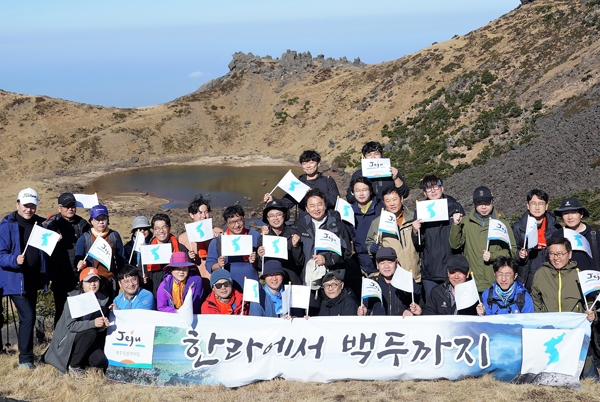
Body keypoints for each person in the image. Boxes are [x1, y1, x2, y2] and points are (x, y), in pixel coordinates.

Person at [0, 188, 48, 368]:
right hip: (14, 281)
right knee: (28, 316)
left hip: (33, 280)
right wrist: (14, 259)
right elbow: (0, 255)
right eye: (25, 205)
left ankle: (26, 354)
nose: (29, 209)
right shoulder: (6, 226)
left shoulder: (41, 224)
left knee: (28, 316)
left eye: (32, 206)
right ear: (17, 204)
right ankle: (26, 359)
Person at [293, 189, 351, 315]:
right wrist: (295, 246)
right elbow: (298, 260)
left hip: (332, 280)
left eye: (319, 204)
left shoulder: (336, 223)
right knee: (311, 315)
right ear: (307, 209)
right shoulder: (300, 224)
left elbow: (346, 252)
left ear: (325, 204)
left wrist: (327, 259)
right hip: (310, 280)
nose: (316, 209)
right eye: (312, 206)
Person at [43, 267, 109, 376]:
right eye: (88, 281)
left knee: (99, 360)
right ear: (82, 283)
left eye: (95, 281)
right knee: (90, 332)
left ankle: (78, 359)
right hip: (68, 339)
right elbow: (71, 326)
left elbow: (98, 326)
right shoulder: (73, 299)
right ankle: (74, 366)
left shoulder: (102, 300)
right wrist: (93, 323)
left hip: (85, 340)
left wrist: (103, 325)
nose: (92, 284)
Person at [449, 186, 517, 293]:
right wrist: (456, 225)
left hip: (495, 282)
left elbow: (512, 251)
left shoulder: (502, 223)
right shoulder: (466, 222)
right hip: (472, 281)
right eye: (479, 203)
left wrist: (493, 256)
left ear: (492, 202)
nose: (483, 207)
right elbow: (455, 245)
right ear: (474, 204)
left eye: (487, 203)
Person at [411, 175, 465, 303]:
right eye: (428, 189)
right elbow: (419, 245)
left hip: (452, 269)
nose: (433, 191)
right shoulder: (421, 211)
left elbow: (462, 240)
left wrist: (458, 223)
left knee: (455, 307)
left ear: (442, 188)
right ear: (424, 192)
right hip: (430, 271)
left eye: (436, 186)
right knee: (432, 308)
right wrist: (415, 231)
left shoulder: (455, 207)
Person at [43, 192, 91, 328]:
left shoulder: (82, 224)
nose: (70, 209)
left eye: (73, 205)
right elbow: (43, 248)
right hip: (59, 276)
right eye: (67, 206)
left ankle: (77, 340)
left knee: (80, 310)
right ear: (59, 208)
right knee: (61, 310)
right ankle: (58, 341)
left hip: (79, 275)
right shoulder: (51, 224)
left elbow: (88, 245)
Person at [365, 186, 421, 301]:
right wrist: (372, 249)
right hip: (391, 279)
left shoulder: (414, 218)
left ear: (401, 199)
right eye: (388, 201)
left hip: (414, 275)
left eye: (394, 199)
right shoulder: (377, 223)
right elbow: (369, 242)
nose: (392, 204)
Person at [511, 189, 561, 290]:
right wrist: (520, 256)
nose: (537, 207)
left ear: (546, 206)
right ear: (528, 206)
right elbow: (511, 253)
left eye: (541, 204)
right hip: (526, 276)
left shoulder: (556, 228)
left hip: (550, 276)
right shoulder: (517, 227)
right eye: (533, 203)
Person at [75, 204, 126, 300]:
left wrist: (122, 279)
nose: (101, 222)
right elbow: (77, 260)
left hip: (110, 283)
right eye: (97, 219)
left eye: (104, 218)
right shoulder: (85, 238)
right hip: (92, 284)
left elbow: (121, 260)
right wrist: (79, 264)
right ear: (92, 221)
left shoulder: (114, 236)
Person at [263, 150, 339, 213]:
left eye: (311, 162)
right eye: (305, 163)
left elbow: (335, 201)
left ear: (318, 164)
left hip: (327, 222)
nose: (308, 166)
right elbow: (287, 203)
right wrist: (273, 200)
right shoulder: (298, 183)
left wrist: (316, 193)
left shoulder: (328, 180)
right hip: (305, 224)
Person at [206, 205, 260, 292]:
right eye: (232, 222)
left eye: (239, 220)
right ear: (227, 224)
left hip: (252, 286)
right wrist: (218, 265)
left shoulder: (255, 236)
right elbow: (209, 265)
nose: (237, 225)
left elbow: (263, 263)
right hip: (227, 288)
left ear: (244, 219)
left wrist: (256, 260)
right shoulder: (218, 241)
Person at [357, 248, 417, 316]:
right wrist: (364, 311)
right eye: (382, 263)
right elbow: (366, 307)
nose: (386, 266)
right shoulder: (371, 283)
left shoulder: (407, 281)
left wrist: (410, 310)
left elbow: (418, 303)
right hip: (379, 324)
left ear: (396, 263)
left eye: (390, 262)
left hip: (401, 323)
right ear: (377, 265)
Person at [178, 196, 223, 286]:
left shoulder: (218, 232)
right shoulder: (183, 238)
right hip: (195, 281)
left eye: (206, 212)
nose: (204, 216)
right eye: (200, 213)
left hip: (216, 280)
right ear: (191, 215)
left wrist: (218, 241)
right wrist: (189, 257)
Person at [418, 255, 484, 316]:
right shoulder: (437, 292)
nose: (456, 276)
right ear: (448, 273)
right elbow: (430, 316)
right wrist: (421, 312)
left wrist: (480, 314)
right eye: (453, 272)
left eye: (460, 272)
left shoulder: (475, 297)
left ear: (467, 274)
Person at [257, 200, 304, 285]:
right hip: (273, 282)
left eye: (278, 214)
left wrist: (296, 247)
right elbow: (260, 267)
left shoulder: (294, 233)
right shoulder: (264, 237)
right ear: (267, 218)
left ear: (284, 215)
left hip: (292, 280)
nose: (275, 218)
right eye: (271, 215)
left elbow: (300, 263)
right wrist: (260, 257)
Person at [144, 213, 189, 296]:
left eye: (164, 227)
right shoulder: (147, 250)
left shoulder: (181, 249)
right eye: (157, 228)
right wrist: (142, 278)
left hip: (177, 293)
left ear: (169, 228)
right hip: (154, 293)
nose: (161, 231)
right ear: (153, 230)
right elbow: (143, 271)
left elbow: (189, 270)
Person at [550, 198, 600, 272]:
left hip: (593, 281)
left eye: (574, 212)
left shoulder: (595, 235)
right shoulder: (557, 235)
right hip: (566, 281)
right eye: (565, 213)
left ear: (581, 214)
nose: (570, 217)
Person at [201, 269, 271, 316]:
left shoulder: (243, 301)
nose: (223, 287)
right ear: (213, 288)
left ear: (231, 284)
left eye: (226, 284)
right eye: (218, 285)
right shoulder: (207, 306)